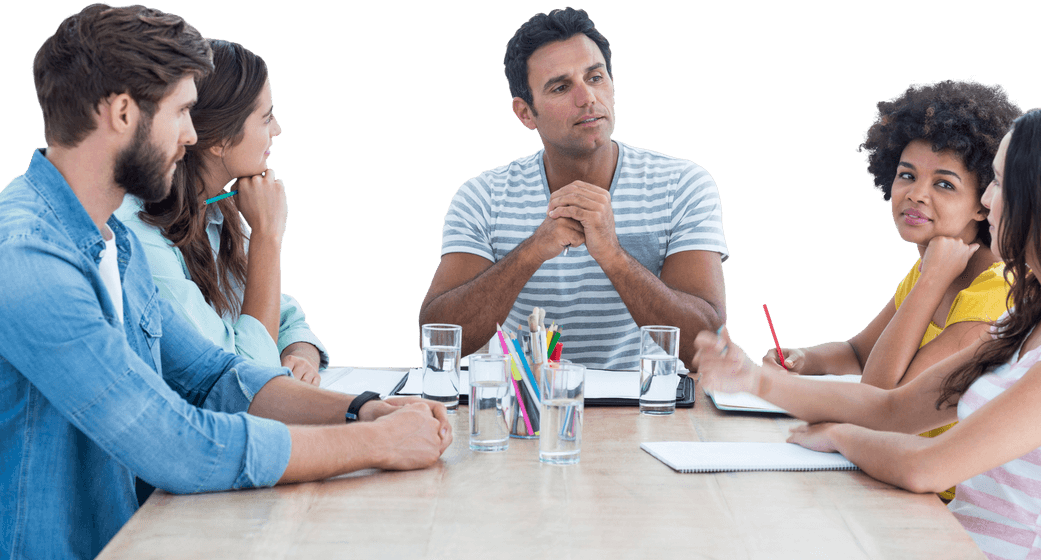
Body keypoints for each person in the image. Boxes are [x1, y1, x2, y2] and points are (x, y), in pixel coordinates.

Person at [0, 6, 450, 559]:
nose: (191, 135)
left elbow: (214, 379)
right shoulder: (26, 260)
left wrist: (361, 408)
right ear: (122, 112)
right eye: (183, 111)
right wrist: (371, 444)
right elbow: (171, 443)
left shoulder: (111, 238)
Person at [694, 106, 1041, 560]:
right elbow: (893, 408)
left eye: (999, 182)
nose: (989, 200)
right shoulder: (1029, 320)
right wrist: (753, 379)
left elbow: (928, 467)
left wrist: (840, 437)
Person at [419, 7, 727, 369]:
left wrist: (614, 257)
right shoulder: (482, 197)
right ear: (525, 113)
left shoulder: (683, 185)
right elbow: (439, 342)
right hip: (527, 413)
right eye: (562, 87)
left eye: (595, 77)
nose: (587, 98)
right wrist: (533, 250)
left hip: (650, 411)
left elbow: (704, 349)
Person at [761, 81, 1022, 500]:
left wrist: (932, 281)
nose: (916, 194)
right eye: (907, 176)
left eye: (944, 184)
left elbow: (881, 401)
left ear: (983, 202)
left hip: (943, 503)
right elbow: (860, 353)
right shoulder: (930, 269)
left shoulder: (997, 292)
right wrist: (805, 360)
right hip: (893, 477)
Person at [117, 38, 326, 386]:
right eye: (267, 118)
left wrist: (300, 354)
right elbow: (240, 381)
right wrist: (267, 238)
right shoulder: (139, 239)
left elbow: (282, 314)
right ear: (219, 141)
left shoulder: (217, 210)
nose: (277, 130)